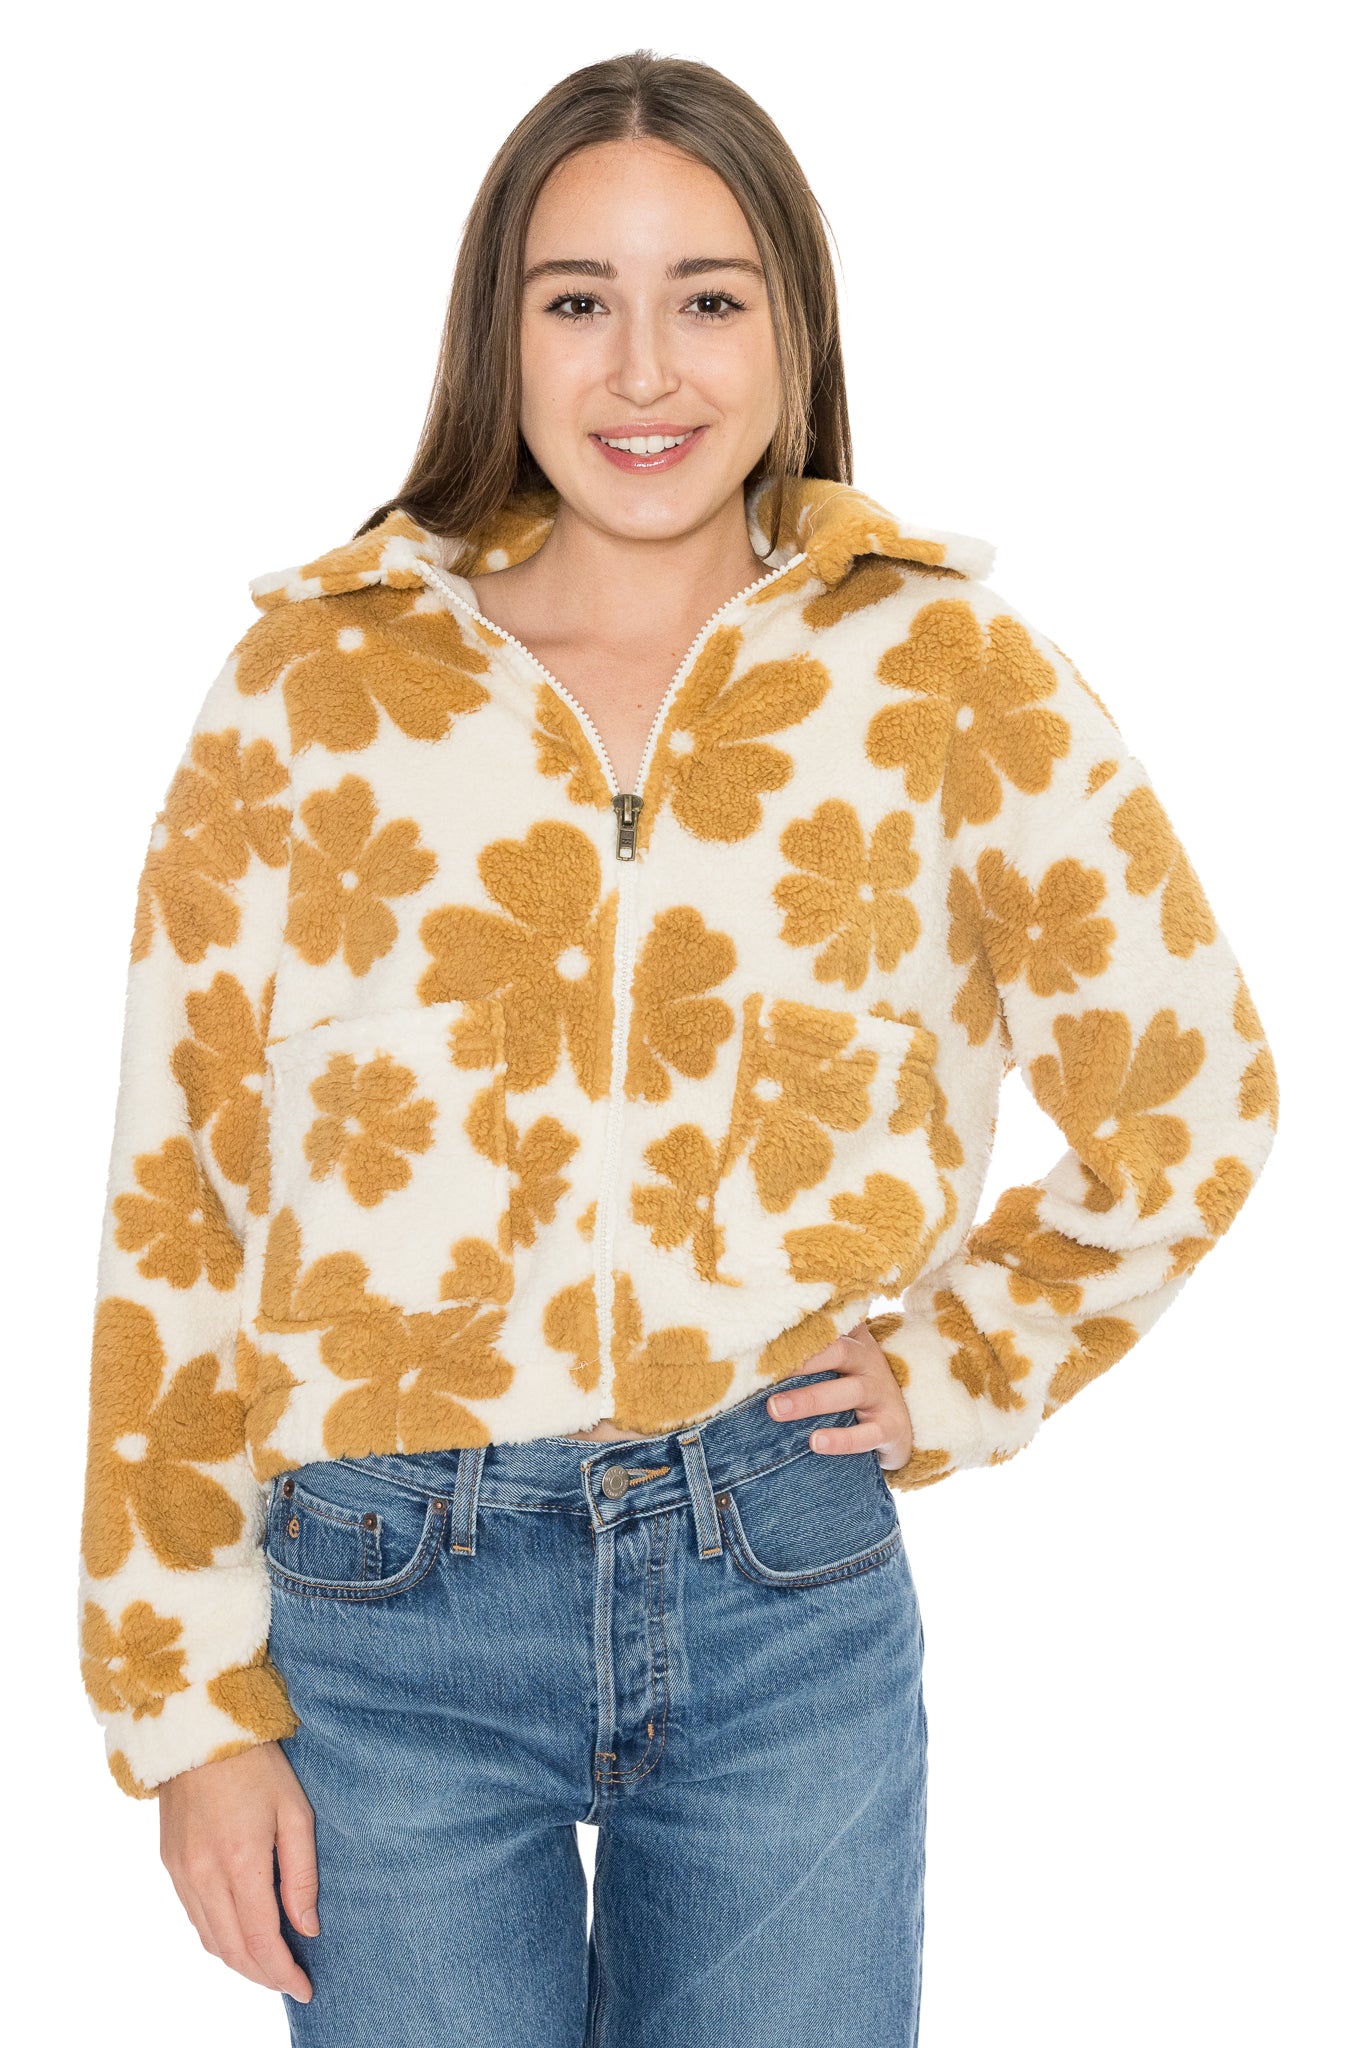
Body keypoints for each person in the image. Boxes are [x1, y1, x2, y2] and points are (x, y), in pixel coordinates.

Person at [75, 46, 1278, 2048]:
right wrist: (185, 1706)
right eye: (579, 301)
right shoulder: (311, 689)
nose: (644, 369)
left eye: (706, 297)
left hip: (774, 1580)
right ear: (502, 336)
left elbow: (1190, 1090)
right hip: (383, 1606)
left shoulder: (942, 673)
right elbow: (180, 1195)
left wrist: (963, 1359)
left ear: (792, 328)